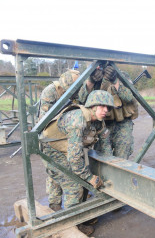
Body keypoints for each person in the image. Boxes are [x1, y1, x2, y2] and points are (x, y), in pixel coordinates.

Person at [40, 90, 114, 235]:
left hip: (63, 148)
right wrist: (89, 178)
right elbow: (74, 159)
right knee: (74, 185)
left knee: (69, 176)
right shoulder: (78, 120)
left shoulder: (98, 121)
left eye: (109, 107)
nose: (106, 110)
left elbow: (105, 145)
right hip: (51, 150)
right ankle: (73, 225)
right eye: (102, 106)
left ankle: (57, 205)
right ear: (92, 106)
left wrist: (111, 164)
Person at [38, 69, 80, 212]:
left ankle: (56, 204)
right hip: (49, 137)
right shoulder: (50, 91)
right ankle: (55, 205)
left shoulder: (72, 92)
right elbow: (46, 119)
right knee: (57, 174)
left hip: (62, 137)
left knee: (57, 173)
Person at [78, 64, 137, 159]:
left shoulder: (122, 76)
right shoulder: (94, 75)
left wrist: (115, 80)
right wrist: (91, 81)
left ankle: (120, 173)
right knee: (101, 156)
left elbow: (129, 97)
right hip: (101, 123)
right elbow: (81, 98)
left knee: (122, 157)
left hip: (122, 123)